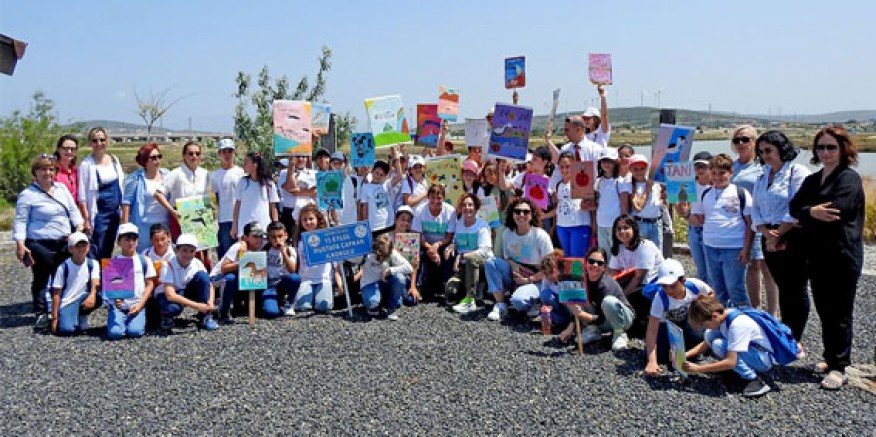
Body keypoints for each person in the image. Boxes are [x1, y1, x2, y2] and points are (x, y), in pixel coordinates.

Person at [789, 126, 864, 391]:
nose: (825, 152)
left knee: (840, 313)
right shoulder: (813, 179)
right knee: (824, 310)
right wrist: (812, 211)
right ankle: (829, 357)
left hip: (842, 256)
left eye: (831, 147)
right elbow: (794, 206)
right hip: (816, 256)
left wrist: (810, 212)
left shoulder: (849, 179)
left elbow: (837, 210)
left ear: (843, 149)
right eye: (820, 147)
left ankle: (839, 366)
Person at [15, 154, 84, 327]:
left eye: (51, 169)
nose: (47, 173)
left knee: (64, 274)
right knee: (43, 275)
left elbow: (73, 210)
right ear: (35, 172)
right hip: (39, 242)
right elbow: (21, 221)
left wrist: (79, 227)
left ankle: (62, 308)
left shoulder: (61, 189)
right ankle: (41, 312)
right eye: (43, 169)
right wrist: (20, 244)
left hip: (62, 241)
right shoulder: (27, 195)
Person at [750, 131, 810, 329]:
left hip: (792, 234)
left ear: (781, 149)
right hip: (767, 235)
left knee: (796, 286)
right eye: (761, 152)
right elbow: (755, 208)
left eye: (768, 150)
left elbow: (797, 204)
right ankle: (786, 329)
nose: (765, 155)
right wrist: (766, 233)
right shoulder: (762, 176)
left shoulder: (797, 171)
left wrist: (779, 233)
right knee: (782, 285)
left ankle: (796, 332)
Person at [691, 153, 753, 307]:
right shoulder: (706, 193)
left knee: (735, 289)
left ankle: (745, 322)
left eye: (722, 173)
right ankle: (721, 324)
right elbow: (698, 220)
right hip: (710, 247)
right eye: (714, 173)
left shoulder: (741, 193)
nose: (718, 177)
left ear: (731, 172)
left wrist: (746, 249)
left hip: (734, 248)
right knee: (717, 290)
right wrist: (684, 212)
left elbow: (750, 223)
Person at [683, 294, 775, 398]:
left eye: (705, 324)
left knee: (719, 345)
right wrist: (685, 355)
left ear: (714, 316)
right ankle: (738, 371)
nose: (705, 327)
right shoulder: (724, 315)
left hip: (762, 360)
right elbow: (706, 343)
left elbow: (731, 362)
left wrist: (698, 369)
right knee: (710, 334)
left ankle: (753, 380)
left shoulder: (737, 325)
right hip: (752, 351)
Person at [729, 125, 777, 316]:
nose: (741, 143)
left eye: (745, 139)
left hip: (762, 220)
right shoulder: (732, 167)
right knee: (750, 265)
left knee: (767, 267)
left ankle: (773, 313)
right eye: (737, 140)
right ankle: (755, 309)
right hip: (740, 223)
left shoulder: (762, 166)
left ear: (755, 142)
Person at [548, 247, 634, 351]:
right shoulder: (581, 280)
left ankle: (619, 333)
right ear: (585, 263)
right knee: (574, 298)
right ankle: (594, 330)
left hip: (622, 318)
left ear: (604, 267)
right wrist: (569, 329)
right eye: (591, 261)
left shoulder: (605, 284)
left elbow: (601, 318)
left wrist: (581, 315)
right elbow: (576, 306)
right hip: (600, 318)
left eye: (600, 263)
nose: (595, 265)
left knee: (608, 302)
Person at [484, 198, 554, 321]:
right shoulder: (507, 234)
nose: (521, 215)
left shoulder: (541, 236)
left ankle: (536, 300)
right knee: (491, 262)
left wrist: (528, 279)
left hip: (536, 279)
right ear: (512, 214)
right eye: (517, 211)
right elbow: (507, 257)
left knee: (518, 302)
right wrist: (513, 264)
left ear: (532, 215)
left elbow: (550, 268)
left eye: (526, 212)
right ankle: (500, 304)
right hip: (515, 275)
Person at [643, 259, 713, 377]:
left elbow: (711, 294)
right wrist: (652, 361)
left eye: (673, 286)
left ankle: (691, 352)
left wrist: (701, 308)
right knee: (656, 355)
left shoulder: (695, 286)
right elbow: (652, 330)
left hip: (690, 322)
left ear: (683, 281)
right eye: (664, 286)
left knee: (700, 337)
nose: (669, 290)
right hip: (667, 327)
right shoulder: (660, 298)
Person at [607, 214, 664, 333]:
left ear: (634, 229)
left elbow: (639, 277)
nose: (622, 231)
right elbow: (612, 273)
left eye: (626, 227)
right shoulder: (619, 247)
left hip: (650, 285)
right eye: (619, 229)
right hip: (632, 281)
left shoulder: (645, 246)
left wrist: (620, 297)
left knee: (633, 297)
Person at [77, 127, 125, 259]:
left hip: (114, 213)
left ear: (107, 141)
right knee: (96, 249)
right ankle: (94, 279)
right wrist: (86, 220)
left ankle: (106, 278)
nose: (99, 144)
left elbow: (121, 187)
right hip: (99, 215)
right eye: (95, 140)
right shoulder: (87, 164)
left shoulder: (114, 160)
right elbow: (82, 197)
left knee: (109, 250)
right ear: (90, 143)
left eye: (102, 140)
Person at [158, 233, 217, 331]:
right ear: (177, 250)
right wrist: (197, 306)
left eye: (192, 251)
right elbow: (170, 295)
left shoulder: (197, 263)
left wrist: (210, 302)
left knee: (203, 276)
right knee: (172, 308)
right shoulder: (168, 265)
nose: (188, 254)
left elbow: (209, 285)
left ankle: (206, 316)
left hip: (186, 291)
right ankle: (166, 316)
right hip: (171, 294)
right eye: (184, 250)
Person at [106, 223, 156, 339]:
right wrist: (115, 299)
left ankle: (135, 319)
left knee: (135, 332)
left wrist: (140, 304)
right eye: (127, 239)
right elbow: (110, 287)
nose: (131, 243)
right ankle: (119, 320)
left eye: (134, 239)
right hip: (119, 307)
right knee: (115, 334)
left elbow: (149, 284)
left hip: (137, 304)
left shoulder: (145, 260)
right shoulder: (112, 263)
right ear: (119, 242)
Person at [121, 143, 174, 252]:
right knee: (143, 258)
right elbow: (126, 204)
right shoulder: (134, 178)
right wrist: (124, 229)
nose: (157, 161)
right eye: (153, 158)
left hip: (164, 225)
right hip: (143, 226)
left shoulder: (168, 175)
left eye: (159, 157)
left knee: (163, 258)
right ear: (144, 160)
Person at [213, 221, 270, 320]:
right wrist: (244, 261)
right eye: (255, 236)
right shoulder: (237, 247)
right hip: (219, 279)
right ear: (246, 237)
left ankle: (248, 306)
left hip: (240, 279)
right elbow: (224, 268)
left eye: (261, 236)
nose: (259, 239)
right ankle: (223, 311)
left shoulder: (261, 246)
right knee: (231, 277)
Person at [446, 193, 493, 314]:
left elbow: (485, 250)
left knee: (472, 259)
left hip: (482, 265)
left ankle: (469, 300)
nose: (467, 208)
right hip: (464, 266)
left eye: (470, 205)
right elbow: (456, 241)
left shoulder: (482, 226)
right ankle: (477, 287)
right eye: (464, 205)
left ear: (476, 208)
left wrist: (462, 256)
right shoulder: (459, 224)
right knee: (451, 291)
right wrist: (451, 246)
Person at [48, 232, 100, 335]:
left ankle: (82, 315)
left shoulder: (93, 263)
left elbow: (96, 282)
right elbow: (56, 293)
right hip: (67, 301)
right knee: (68, 330)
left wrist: (92, 296)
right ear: (70, 249)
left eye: (84, 245)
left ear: (88, 247)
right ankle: (70, 316)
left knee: (99, 297)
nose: (81, 249)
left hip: (83, 296)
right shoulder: (63, 267)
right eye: (78, 246)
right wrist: (55, 317)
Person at [411, 184, 456, 302]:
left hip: (442, 244)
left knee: (449, 254)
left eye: (439, 198)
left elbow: (449, 236)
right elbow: (416, 236)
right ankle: (418, 286)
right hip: (425, 244)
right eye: (432, 197)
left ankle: (448, 286)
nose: (435, 201)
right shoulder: (420, 211)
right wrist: (430, 248)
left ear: (444, 198)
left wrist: (436, 246)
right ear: (428, 198)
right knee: (417, 254)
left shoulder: (450, 211)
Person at [675, 151, 713, 285]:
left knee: (713, 270)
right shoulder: (689, 184)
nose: (700, 169)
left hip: (711, 230)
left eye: (703, 166)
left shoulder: (716, 185)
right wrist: (686, 215)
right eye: (696, 166)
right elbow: (681, 208)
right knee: (701, 271)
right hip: (694, 230)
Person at [290, 204, 334, 313]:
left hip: (323, 278)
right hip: (306, 278)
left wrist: (338, 280)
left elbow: (335, 261)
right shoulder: (298, 240)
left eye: (311, 219)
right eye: (305, 220)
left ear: (317, 219)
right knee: (303, 307)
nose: (308, 222)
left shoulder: (326, 237)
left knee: (324, 306)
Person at [357, 233, 412, 320]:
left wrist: (389, 270)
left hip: (386, 282)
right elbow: (349, 259)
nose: (382, 260)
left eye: (386, 257)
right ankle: (375, 305)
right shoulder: (366, 254)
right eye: (381, 257)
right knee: (372, 302)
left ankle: (391, 307)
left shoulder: (392, 253)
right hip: (370, 283)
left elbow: (409, 268)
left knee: (400, 278)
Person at [163, 141, 211, 238]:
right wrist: (172, 211)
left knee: (201, 250)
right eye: (190, 153)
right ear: (184, 156)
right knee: (183, 249)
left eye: (197, 153)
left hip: (200, 214)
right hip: (181, 216)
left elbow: (206, 195)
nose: (194, 156)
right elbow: (158, 193)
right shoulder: (176, 173)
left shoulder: (205, 173)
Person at [553, 152, 595, 257]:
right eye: (561, 167)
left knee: (577, 259)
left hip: (579, 225)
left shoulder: (582, 181)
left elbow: (593, 205)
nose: (564, 170)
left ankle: (578, 274)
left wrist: (594, 223)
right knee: (567, 259)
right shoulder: (559, 185)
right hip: (562, 226)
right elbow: (559, 207)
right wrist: (544, 216)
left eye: (567, 166)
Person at [232, 152, 279, 239]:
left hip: (263, 226)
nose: (243, 165)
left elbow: (273, 207)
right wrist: (234, 225)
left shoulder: (269, 184)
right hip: (244, 227)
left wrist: (276, 226)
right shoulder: (242, 182)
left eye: (246, 163)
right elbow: (237, 205)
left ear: (255, 165)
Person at [210, 138, 245, 258]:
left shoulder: (241, 173)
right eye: (224, 151)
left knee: (242, 250)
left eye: (229, 151)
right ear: (219, 154)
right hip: (224, 218)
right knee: (225, 250)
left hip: (241, 217)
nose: (227, 154)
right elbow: (217, 197)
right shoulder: (215, 175)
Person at [595, 147, 630, 259]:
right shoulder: (598, 181)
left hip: (615, 225)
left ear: (615, 162)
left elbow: (624, 205)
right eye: (604, 161)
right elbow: (597, 202)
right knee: (604, 254)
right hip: (601, 223)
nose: (606, 164)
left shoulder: (620, 181)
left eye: (609, 161)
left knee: (617, 255)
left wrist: (623, 226)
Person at [628, 154, 665, 249]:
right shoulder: (630, 185)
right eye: (635, 169)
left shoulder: (656, 182)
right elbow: (638, 207)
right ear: (630, 169)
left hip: (656, 223)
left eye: (642, 168)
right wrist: (647, 189)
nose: (639, 171)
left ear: (647, 168)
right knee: (641, 253)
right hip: (640, 224)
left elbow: (663, 201)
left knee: (657, 254)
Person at [359, 160, 400, 236]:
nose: (378, 176)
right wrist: (365, 224)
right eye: (377, 173)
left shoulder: (386, 185)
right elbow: (364, 207)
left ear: (385, 176)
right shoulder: (366, 187)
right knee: (377, 247)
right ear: (372, 171)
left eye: (381, 175)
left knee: (389, 246)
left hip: (389, 223)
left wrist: (397, 160)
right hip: (374, 226)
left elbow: (399, 177)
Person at [390, 205, 421, 305]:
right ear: (396, 219)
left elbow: (414, 263)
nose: (405, 223)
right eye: (402, 219)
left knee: (411, 300)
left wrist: (413, 286)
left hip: (404, 275)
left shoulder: (411, 239)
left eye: (408, 221)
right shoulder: (387, 237)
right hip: (388, 275)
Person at [280, 154, 317, 232]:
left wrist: (300, 192)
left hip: (308, 212)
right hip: (289, 211)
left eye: (303, 156)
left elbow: (316, 191)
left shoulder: (313, 173)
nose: (300, 159)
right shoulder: (284, 173)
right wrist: (291, 169)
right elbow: (290, 187)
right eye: (297, 157)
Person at [53, 134, 79, 202]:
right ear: (58, 149)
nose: (69, 151)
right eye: (66, 148)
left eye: (72, 149)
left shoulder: (76, 171)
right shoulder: (52, 170)